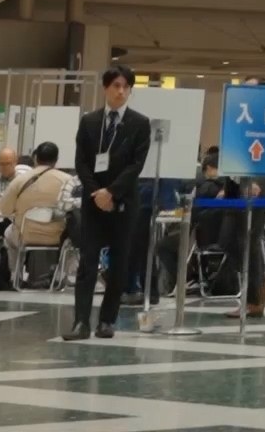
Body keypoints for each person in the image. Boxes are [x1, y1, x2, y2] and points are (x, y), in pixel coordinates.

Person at [67, 69, 154, 339]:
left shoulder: (140, 123)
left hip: (124, 201)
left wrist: (112, 192)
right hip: (93, 201)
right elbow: (81, 161)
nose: (121, 91)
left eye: (126, 87)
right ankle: (81, 322)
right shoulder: (89, 121)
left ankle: (107, 320)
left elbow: (136, 165)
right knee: (88, 261)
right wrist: (97, 193)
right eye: (116, 85)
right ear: (105, 88)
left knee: (119, 261)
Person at [0, 142, 76, 291]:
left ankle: (15, 275)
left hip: (25, 236)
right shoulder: (69, 181)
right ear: (56, 159)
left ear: (35, 158)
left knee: (8, 233)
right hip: (58, 237)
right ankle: (65, 275)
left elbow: (5, 210)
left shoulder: (20, 180)